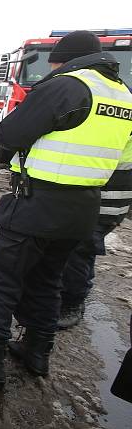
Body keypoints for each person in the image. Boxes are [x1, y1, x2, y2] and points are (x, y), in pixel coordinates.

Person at [0, 30, 132, 388]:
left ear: (67, 59)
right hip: (83, 209)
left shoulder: (67, 85)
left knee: (0, 276)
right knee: (48, 281)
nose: (54, 67)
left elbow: (9, 133)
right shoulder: (123, 95)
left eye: (56, 61)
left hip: (38, 203)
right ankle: (36, 351)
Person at [58, 130, 132, 328]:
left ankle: (72, 303)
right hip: (103, 200)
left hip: (103, 200)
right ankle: (78, 292)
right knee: (83, 251)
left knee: (79, 252)